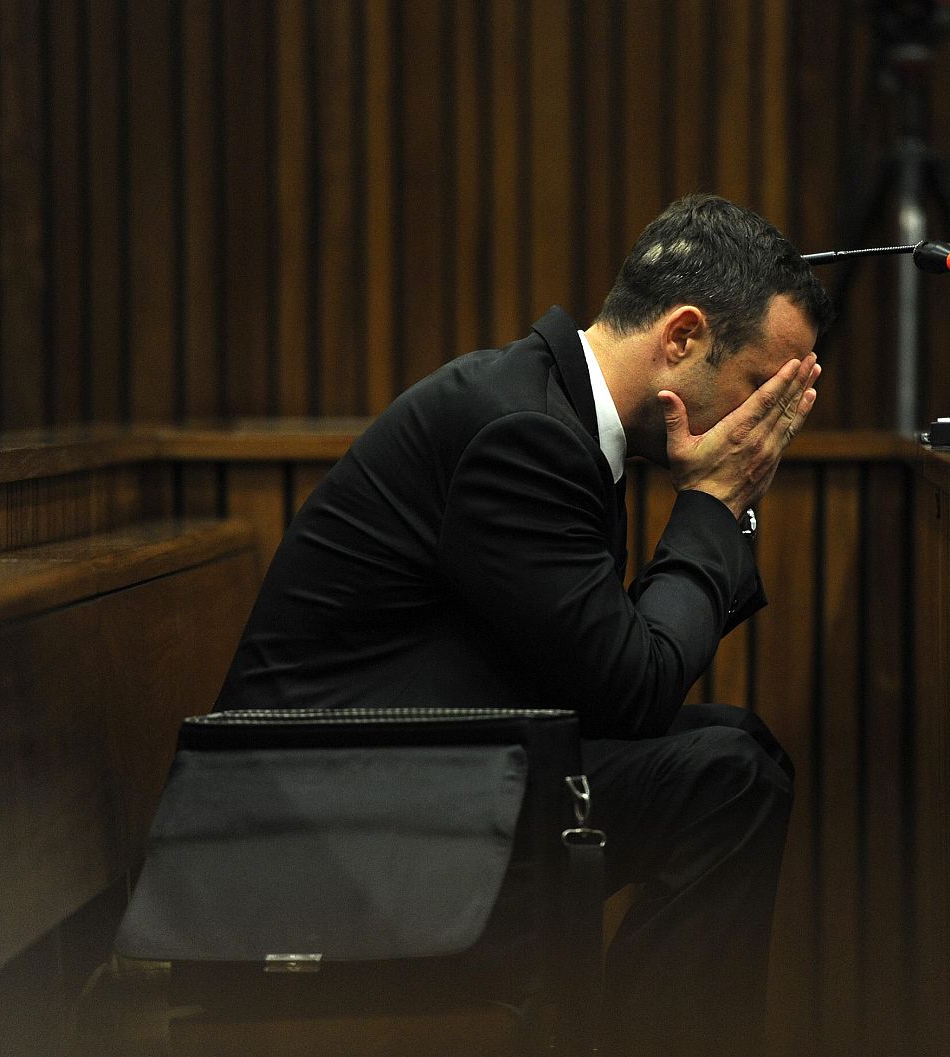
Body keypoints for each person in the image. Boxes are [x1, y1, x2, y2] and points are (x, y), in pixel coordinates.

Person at [213, 193, 832, 1057]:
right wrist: (715, 502)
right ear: (683, 337)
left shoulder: (550, 411)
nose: (765, 423)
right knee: (728, 779)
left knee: (740, 747)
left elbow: (609, 678)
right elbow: (634, 689)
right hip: (323, 839)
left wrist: (714, 506)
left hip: (403, 784)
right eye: (761, 388)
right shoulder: (525, 435)